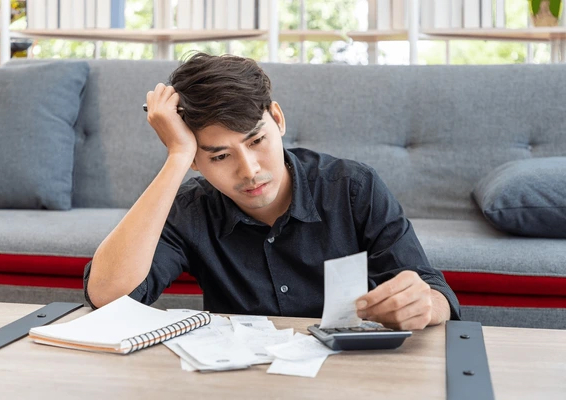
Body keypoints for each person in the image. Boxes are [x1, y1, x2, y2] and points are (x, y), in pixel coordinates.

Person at [84, 53, 460, 330]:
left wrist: (424, 304)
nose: (249, 170)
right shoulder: (191, 210)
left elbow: (436, 294)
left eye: (257, 140)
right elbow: (107, 296)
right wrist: (178, 156)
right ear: (197, 161)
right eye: (219, 156)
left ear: (277, 119)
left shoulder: (352, 188)